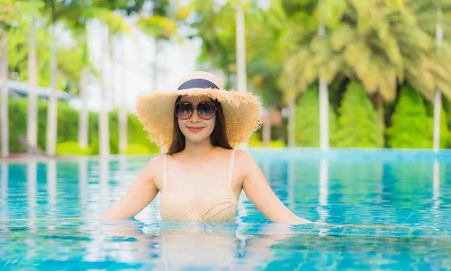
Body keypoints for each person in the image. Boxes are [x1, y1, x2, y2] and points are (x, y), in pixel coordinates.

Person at [100, 71, 310, 224]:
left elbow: (284, 219)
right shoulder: (158, 167)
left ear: (217, 115)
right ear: (176, 115)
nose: (194, 118)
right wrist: (147, 253)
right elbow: (112, 220)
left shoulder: (239, 164)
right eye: (185, 109)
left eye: (205, 109)